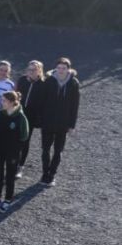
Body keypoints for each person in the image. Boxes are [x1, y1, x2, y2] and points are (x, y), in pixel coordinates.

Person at [40, 57, 80, 186]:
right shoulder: (49, 81)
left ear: (68, 69)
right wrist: (41, 119)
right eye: (59, 68)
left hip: (63, 124)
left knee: (58, 151)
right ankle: (45, 173)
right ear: (56, 68)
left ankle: (52, 174)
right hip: (48, 122)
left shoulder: (74, 83)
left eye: (64, 68)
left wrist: (71, 125)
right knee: (45, 149)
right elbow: (43, 101)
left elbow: (75, 106)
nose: (61, 70)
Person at [0, 92, 29, 212]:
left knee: (10, 176)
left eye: (4, 101)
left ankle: (7, 200)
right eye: (1, 100)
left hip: (13, 151)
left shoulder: (21, 117)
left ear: (12, 102)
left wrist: (15, 146)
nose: (1, 103)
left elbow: (24, 136)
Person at [16, 60, 46, 178]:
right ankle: (12, 163)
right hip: (19, 113)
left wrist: (40, 118)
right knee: (14, 139)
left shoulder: (44, 83)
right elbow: (16, 95)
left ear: (39, 70)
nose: (31, 72)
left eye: (34, 70)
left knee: (25, 141)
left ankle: (20, 166)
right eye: (29, 69)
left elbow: (44, 102)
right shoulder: (23, 80)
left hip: (31, 117)